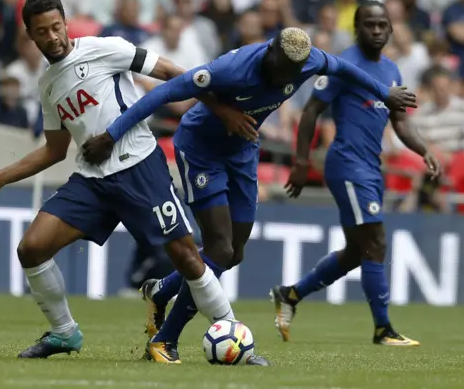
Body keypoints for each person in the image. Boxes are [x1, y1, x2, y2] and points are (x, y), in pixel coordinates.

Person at [0, 0, 268, 365]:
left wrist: (221, 111)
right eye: (42, 32)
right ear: (30, 34)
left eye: (57, 27)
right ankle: (64, 333)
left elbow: (175, 75)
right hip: (92, 181)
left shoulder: (104, 49)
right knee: (31, 248)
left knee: (187, 257)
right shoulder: (47, 85)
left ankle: (231, 330)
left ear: (65, 22)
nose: (53, 37)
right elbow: (54, 150)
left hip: (140, 167)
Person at [81, 26, 418, 362]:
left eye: (294, 72)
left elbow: (345, 68)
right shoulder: (234, 67)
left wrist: (384, 93)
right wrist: (111, 136)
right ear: (270, 50)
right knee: (219, 248)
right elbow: (163, 94)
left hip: (242, 150)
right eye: (283, 68)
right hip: (201, 150)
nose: (287, 77)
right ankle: (165, 340)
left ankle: (162, 290)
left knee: (234, 252)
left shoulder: (308, 59)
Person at [271, 1, 441, 346]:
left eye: (382, 25)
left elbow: (401, 122)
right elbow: (310, 112)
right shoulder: (343, 65)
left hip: (371, 167)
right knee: (376, 242)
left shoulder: (392, 71)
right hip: (347, 164)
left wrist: (423, 149)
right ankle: (383, 329)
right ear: (357, 28)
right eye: (369, 24)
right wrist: (302, 163)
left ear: (391, 29)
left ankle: (290, 294)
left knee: (355, 251)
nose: (376, 30)